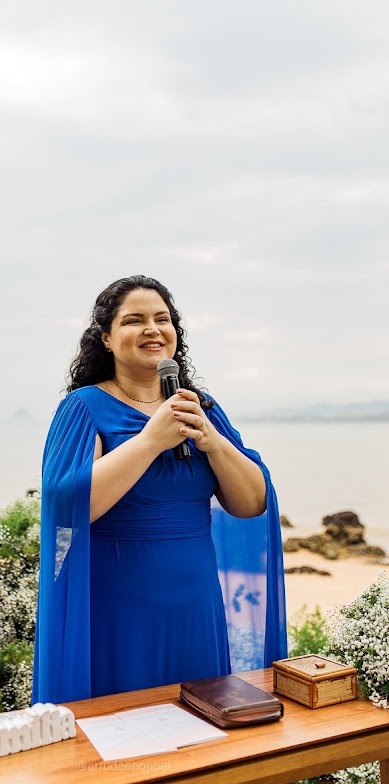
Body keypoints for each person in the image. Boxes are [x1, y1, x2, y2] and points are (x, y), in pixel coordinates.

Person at [32, 275, 287, 705]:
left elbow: (252, 502)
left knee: (202, 735)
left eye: (162, 319)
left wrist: (211, 440)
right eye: (135, 320)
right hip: (117, 607)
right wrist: (151, 440)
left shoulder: (200, 406)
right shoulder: (83, 407)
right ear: (107, 339)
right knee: (123, 739)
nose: (152, 329)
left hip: (196, 607)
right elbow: (66, 504)